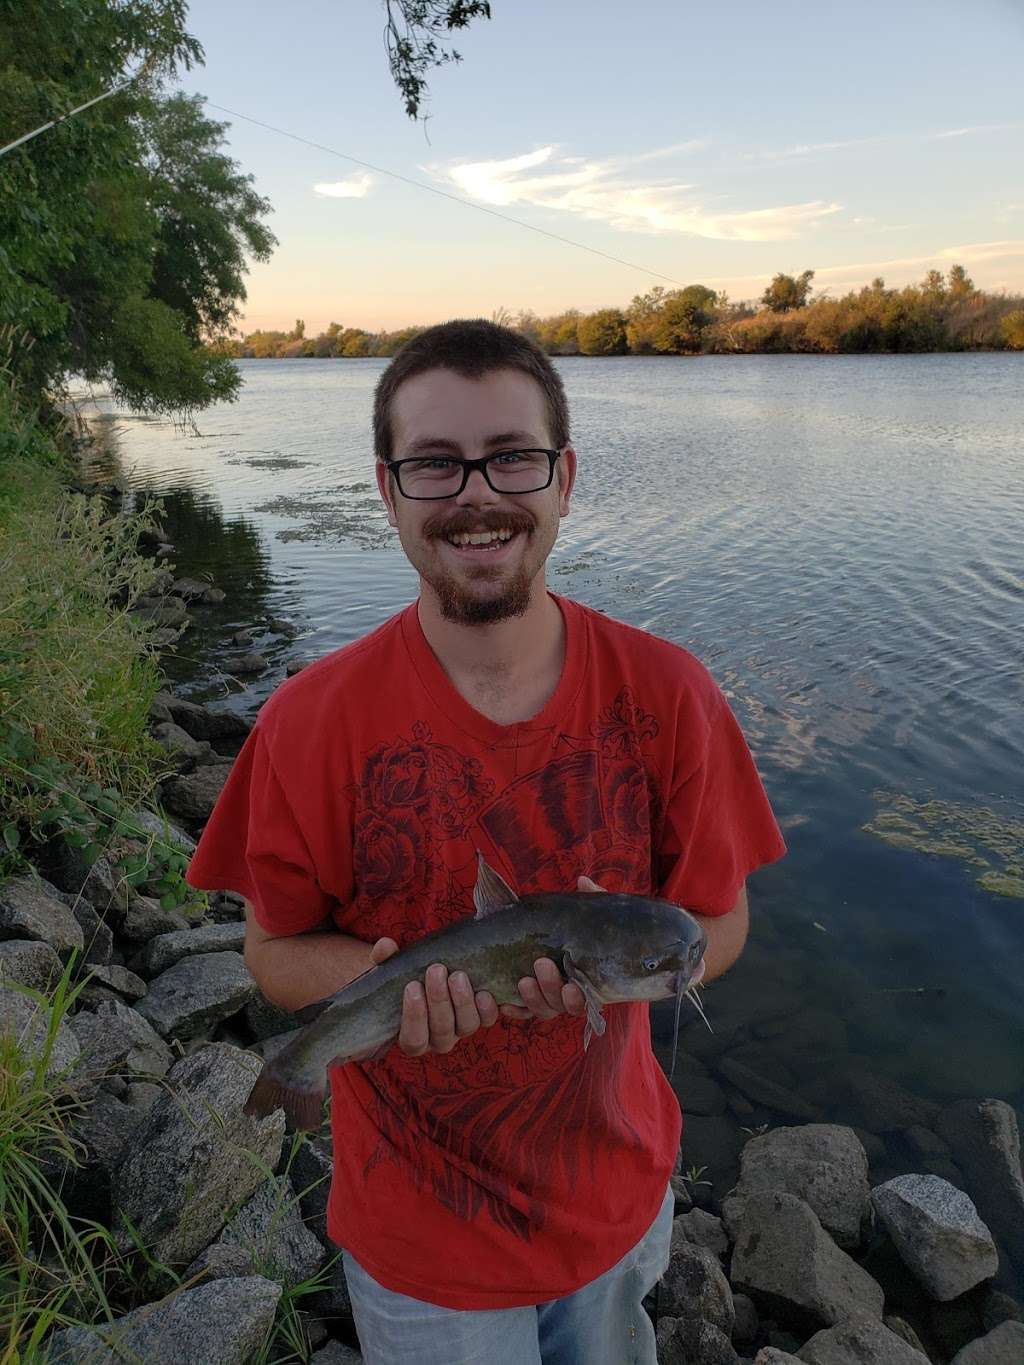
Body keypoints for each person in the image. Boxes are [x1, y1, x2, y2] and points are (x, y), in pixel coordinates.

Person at [186, 319, 785, 1364]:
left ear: (563, 477)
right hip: (420, 1245)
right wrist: (393, 987)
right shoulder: (308, 721)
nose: (477, 493)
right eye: (434, 463)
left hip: (614, 1205)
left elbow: (718, 922)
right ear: (387, 489)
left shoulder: (670, 695)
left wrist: (629, 967)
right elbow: (273, 957)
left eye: (511, 455)